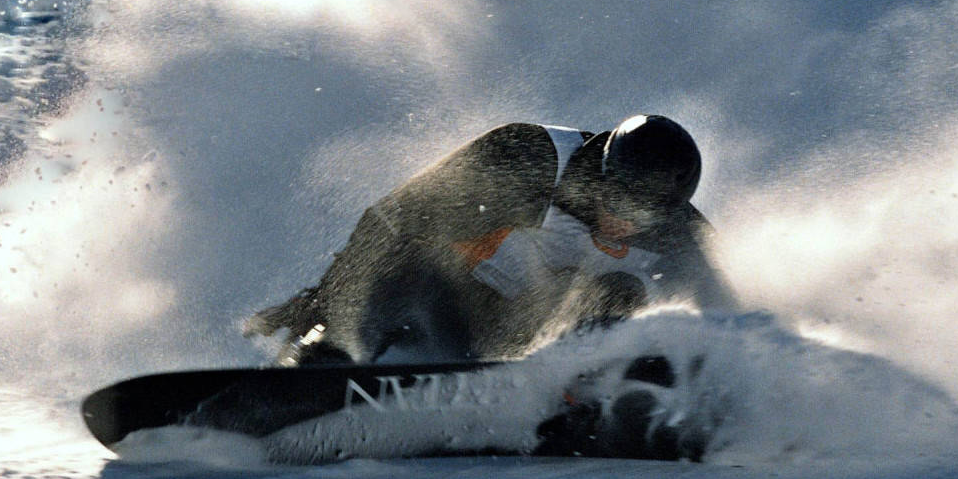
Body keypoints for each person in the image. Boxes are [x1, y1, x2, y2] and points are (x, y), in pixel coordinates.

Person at [245, 115, 737, 366]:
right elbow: (392, 221)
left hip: (536, 341)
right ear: (602, 173)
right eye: (624, 204)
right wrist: (324, 299)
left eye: (649, 215)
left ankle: (571, 396)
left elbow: (729, 323)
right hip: (451, 306)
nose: (628, 223)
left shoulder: (683, 233)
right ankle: (324, 365)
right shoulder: (528, 160)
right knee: (414, 256)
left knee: (622, 294)